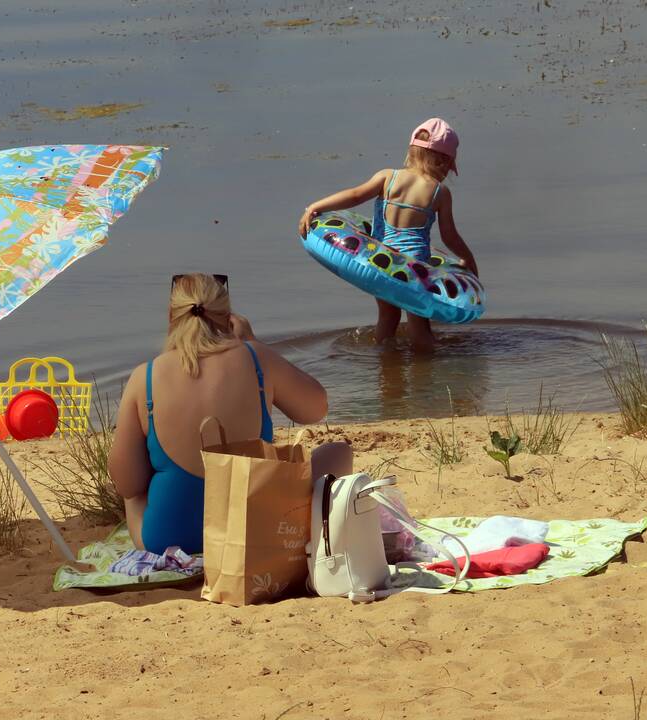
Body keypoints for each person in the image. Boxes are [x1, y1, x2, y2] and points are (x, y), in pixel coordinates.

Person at [108, 273, 352, 554]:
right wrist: (252, 342)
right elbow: (316, 409)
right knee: (338, 452)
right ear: (228, 316)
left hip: (170, 540)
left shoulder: (145, 376)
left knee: (135, 488)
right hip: (254, 531)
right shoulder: (256, 359)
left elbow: (126, 484)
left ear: (170, 317)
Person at [298, 118, 478, 353]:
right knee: (419, 324)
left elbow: (353, 196)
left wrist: (315, 207)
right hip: (414, 270)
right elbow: (449, 235)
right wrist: (468, 259)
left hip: (382, 265)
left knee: (387, 316)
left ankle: (386, 369)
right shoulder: (439, 192)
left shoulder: (387, 177)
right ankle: (426, 372)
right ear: (442, 161)